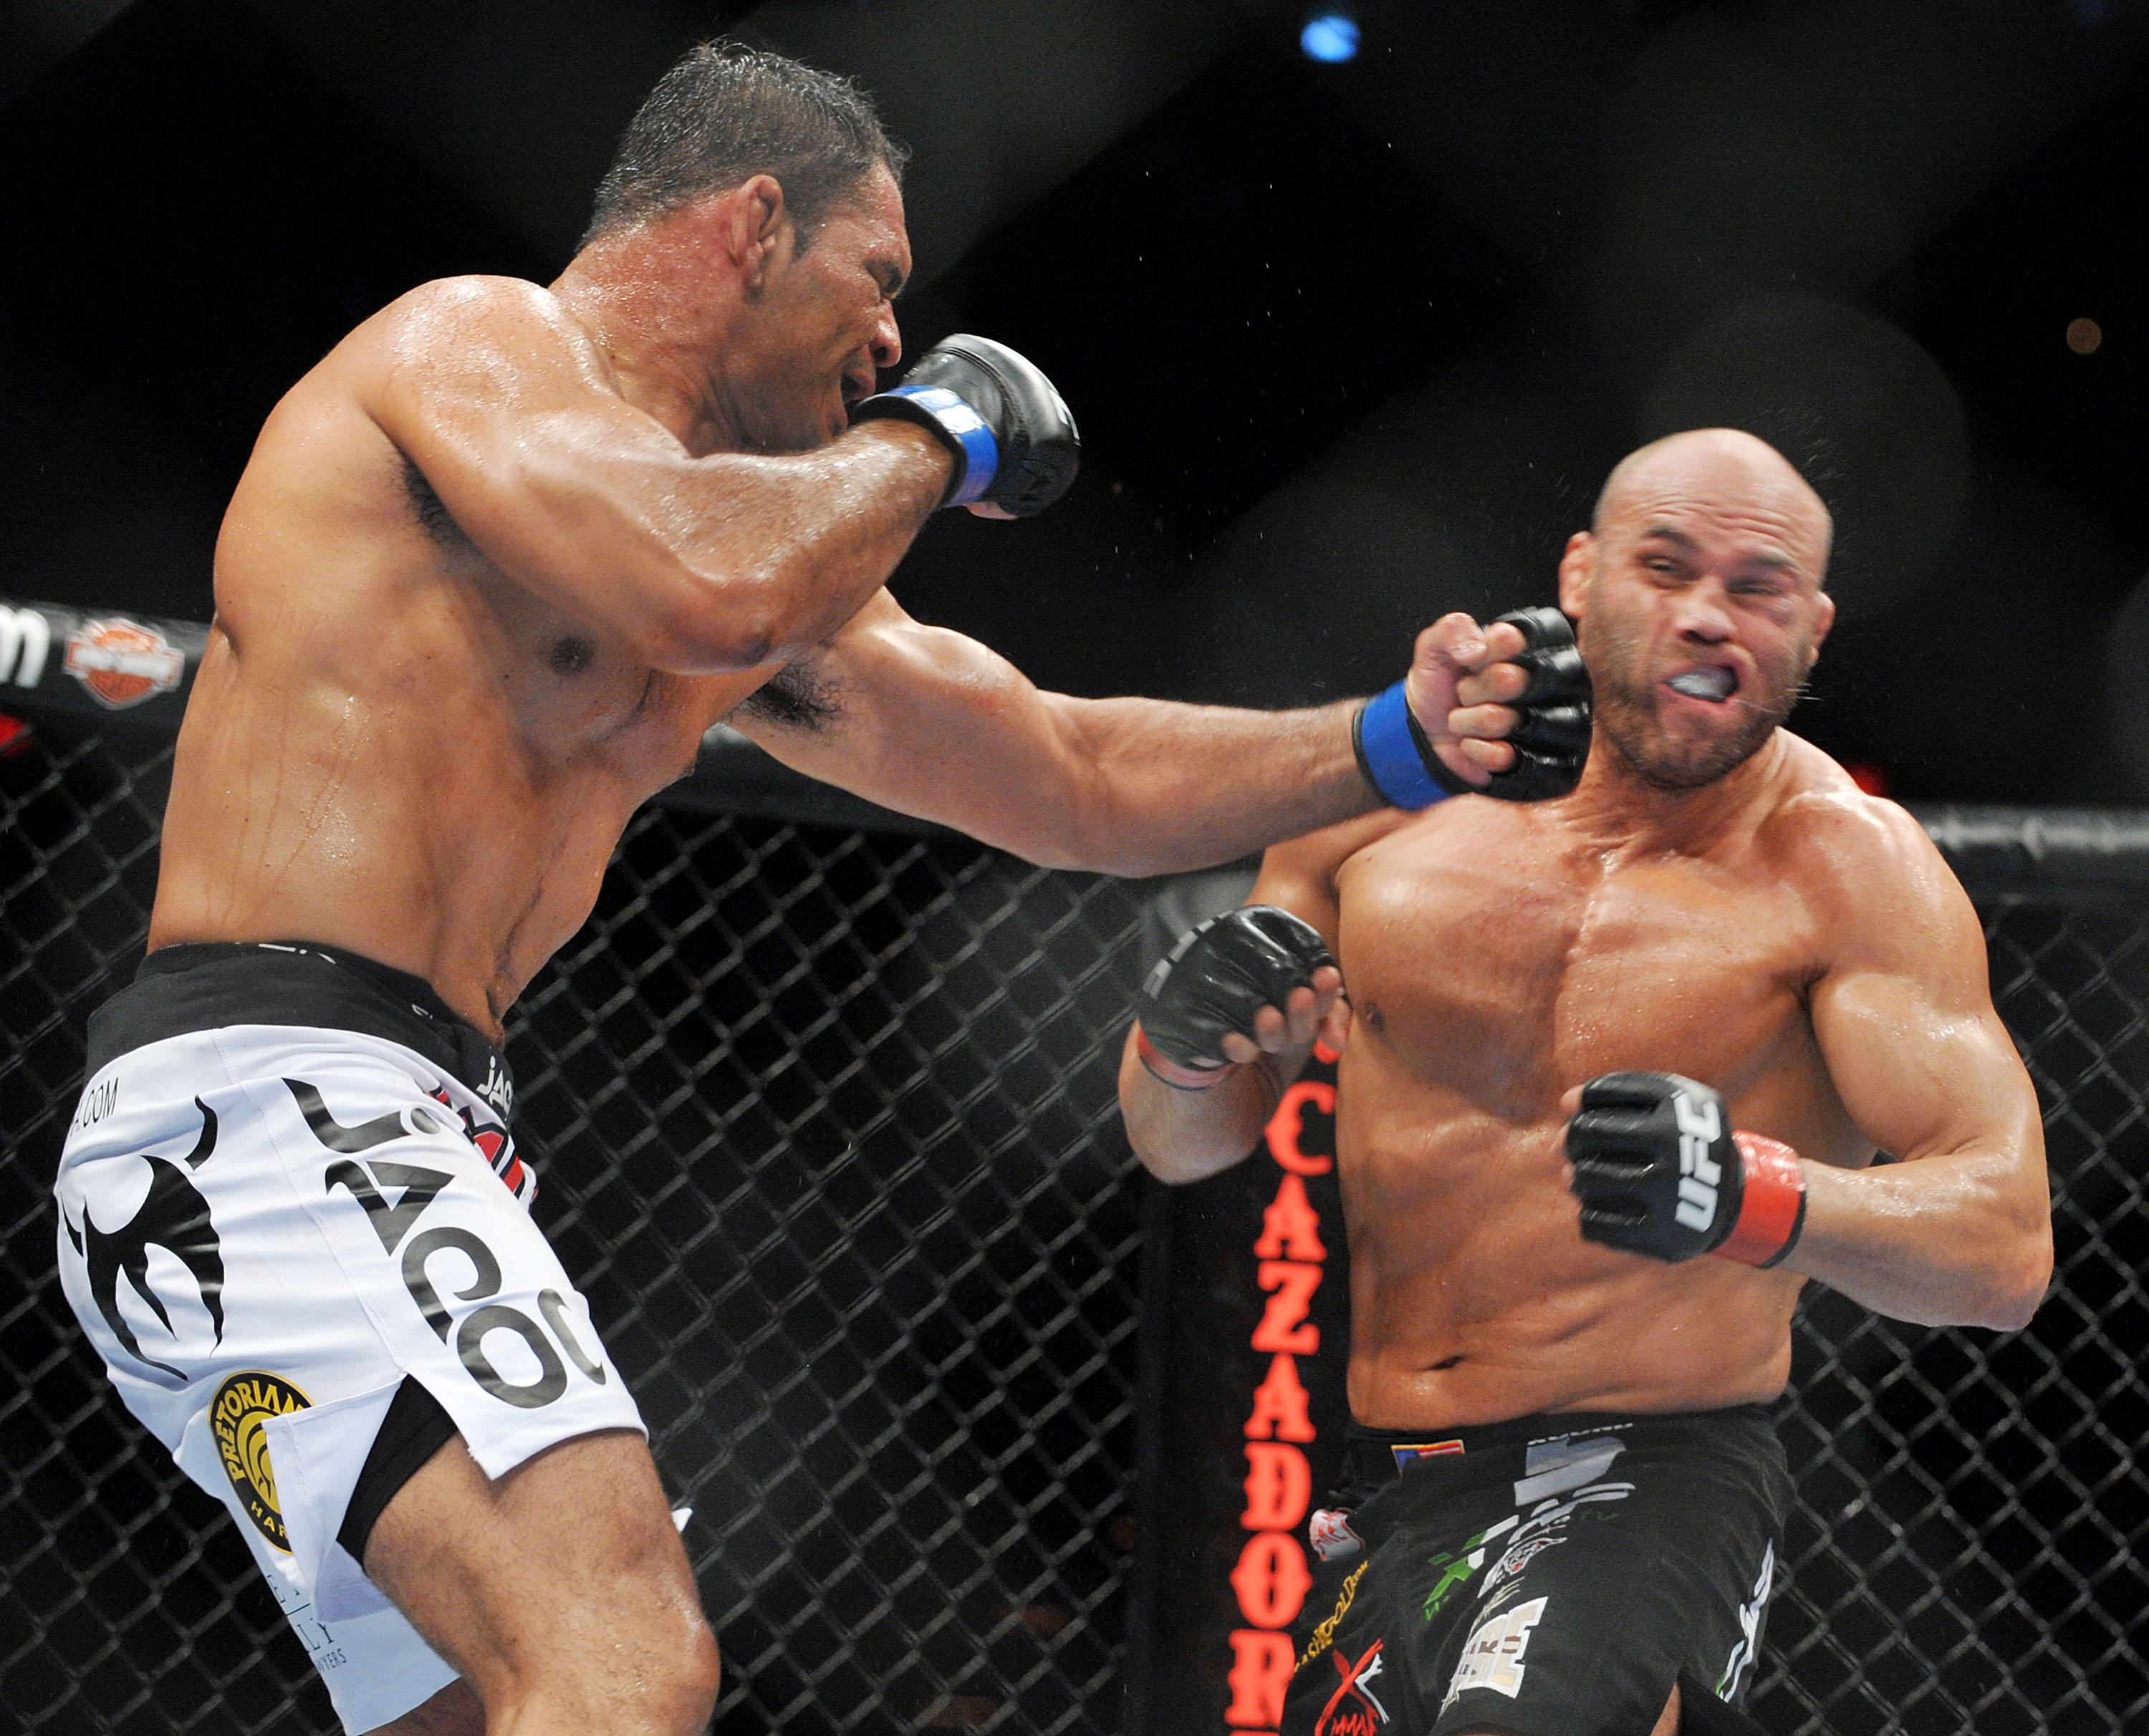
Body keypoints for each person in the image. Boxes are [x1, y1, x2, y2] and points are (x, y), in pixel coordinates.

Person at [49, 39, 1587, 1736]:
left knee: (501, 1702)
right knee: (620, 1661)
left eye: (911, 329)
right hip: (276, 1105)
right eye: (879, 282)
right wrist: (945, 429)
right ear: (751, 225)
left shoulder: (757, 569)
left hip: (377, 1125)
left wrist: (1391, 740)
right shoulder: (474, 347)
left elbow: (1068, 778)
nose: (889, 344)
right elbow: (714, 587)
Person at [1119, 428, 2053, 1736]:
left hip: (1648, 1480)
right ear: (1579, 573)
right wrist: (1174, 1047)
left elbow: (2006, 1246)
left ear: (1818, 627)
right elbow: (1184, 1143)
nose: (1707, 616)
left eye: (1758, 587)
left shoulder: (1849, 870)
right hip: (1387, 1490)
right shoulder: (1388, 805)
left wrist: (1753, 1196)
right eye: (1666, 568)